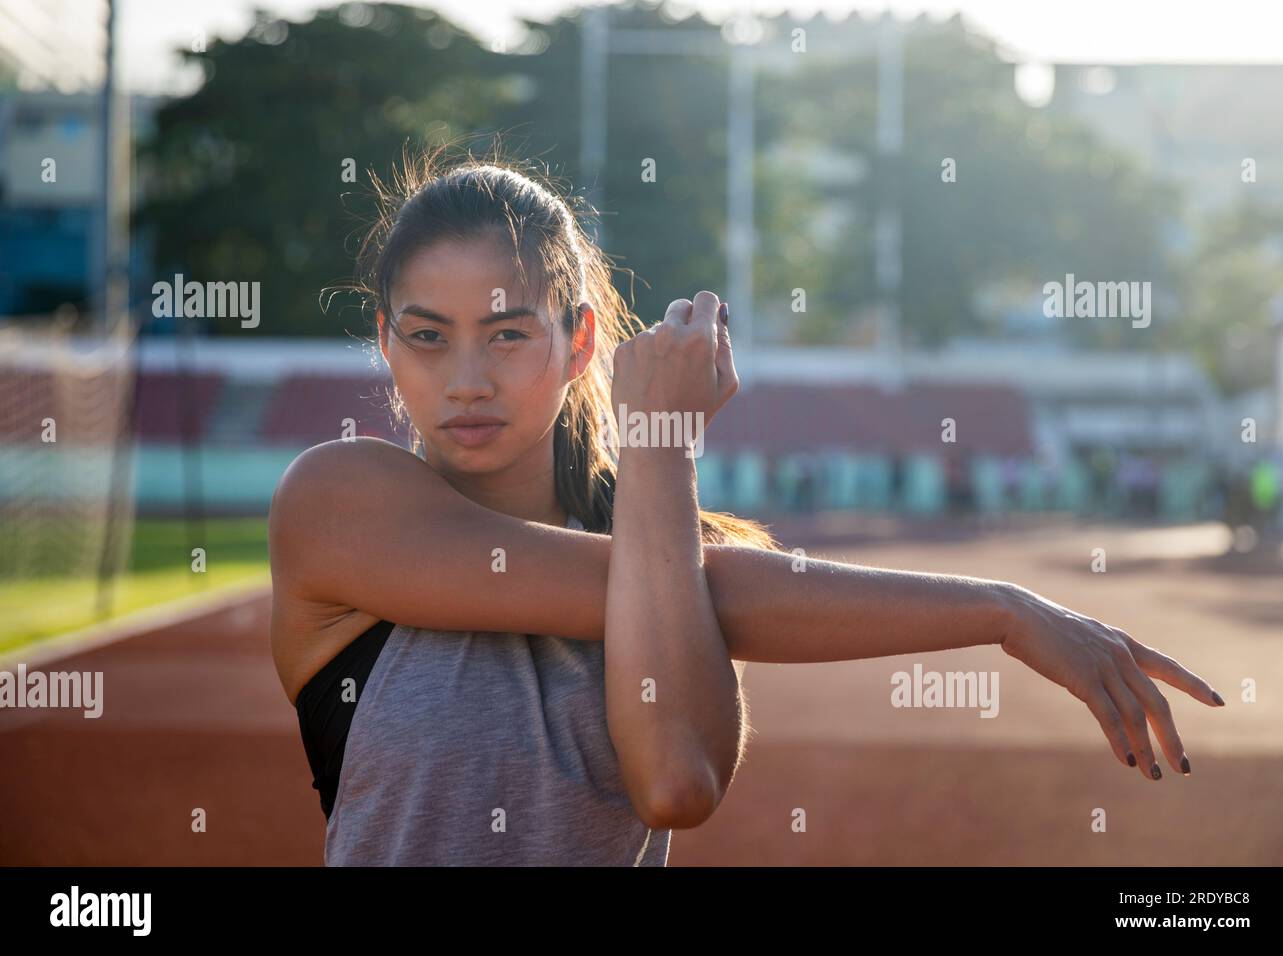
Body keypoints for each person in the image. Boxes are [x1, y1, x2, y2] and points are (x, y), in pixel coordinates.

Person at [268, 143, 1224, 867]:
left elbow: (677, 780)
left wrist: (1010, 611)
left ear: (579, 337)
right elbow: (700, 584)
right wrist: (1003, 612)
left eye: (507, 333)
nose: (466, 379)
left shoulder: (672, 570)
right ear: (385, 343)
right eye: (428, 336)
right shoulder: (337, 500)